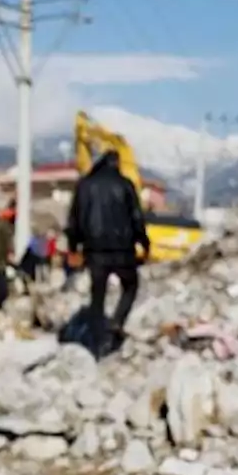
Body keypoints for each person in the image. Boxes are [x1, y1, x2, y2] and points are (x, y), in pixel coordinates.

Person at [65, 150, 149, 356]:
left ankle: (96, 342)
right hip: (123, 250)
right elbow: (137, 217)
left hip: (95, 251)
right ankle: (117, 321)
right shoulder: (125, 185)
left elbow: (74, 220)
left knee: (97, 296)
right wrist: (144, 243)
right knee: (130, 285)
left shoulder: (85, 185)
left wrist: (73, 247)